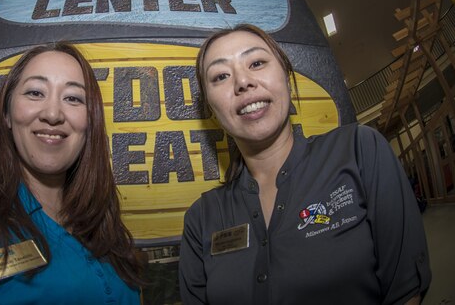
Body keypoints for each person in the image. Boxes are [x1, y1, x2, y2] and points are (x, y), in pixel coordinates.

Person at [178, 24, 431, 304]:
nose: (242, 82)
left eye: (257, 62)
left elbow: (406, 290)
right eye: (221, 75)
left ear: (286, 77)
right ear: (212, 111)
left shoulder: (359, 150)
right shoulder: (200, 219)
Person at [0, 43, 142, 304]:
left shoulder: (103, 224)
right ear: (8, 114)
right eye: (35, 92)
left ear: (91, 123)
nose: (53, 114)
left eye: (73, 98)